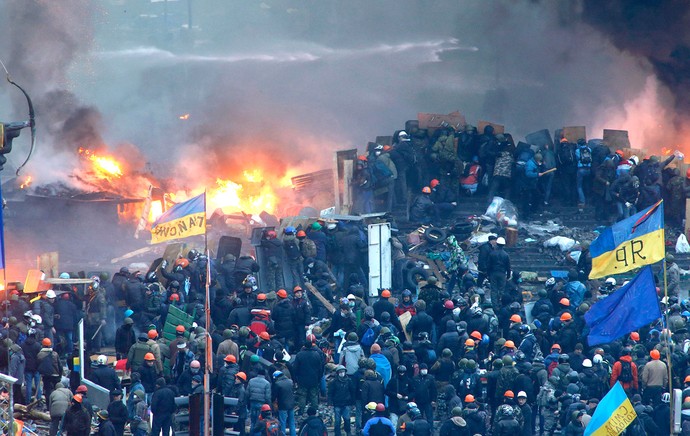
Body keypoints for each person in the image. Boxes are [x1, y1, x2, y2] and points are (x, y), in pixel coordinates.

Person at [329, 365, 355, 436]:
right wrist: (330, 402)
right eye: (340, 372)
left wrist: (353, 402)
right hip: (337, 403)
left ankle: (348, 431)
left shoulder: (349, 381)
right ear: (337, 373)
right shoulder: (334, 382)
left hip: (346, 403)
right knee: (337, 421)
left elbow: (352, 391)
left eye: (343, 372)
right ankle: (337, 433)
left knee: (347, 419)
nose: (342, 373)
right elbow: (330, 393)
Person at [487, 237, 511, 305]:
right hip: (502, 274)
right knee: (501, 290)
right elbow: (508, 267)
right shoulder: (506, 255)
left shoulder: (492, 254)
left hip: (493, 273)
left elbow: (488, 265)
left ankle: (494, 305)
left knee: (494, 290)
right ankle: (501, 303)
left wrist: (488, 275)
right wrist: (508, 275)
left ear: (497, 244)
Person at [272, 370, 296, 436]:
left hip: (282, 405)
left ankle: (283, 434)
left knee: (283, 422)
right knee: (292, 422)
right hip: (291, 405)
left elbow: (274, 396)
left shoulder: (278, 384)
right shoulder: (290, 381)